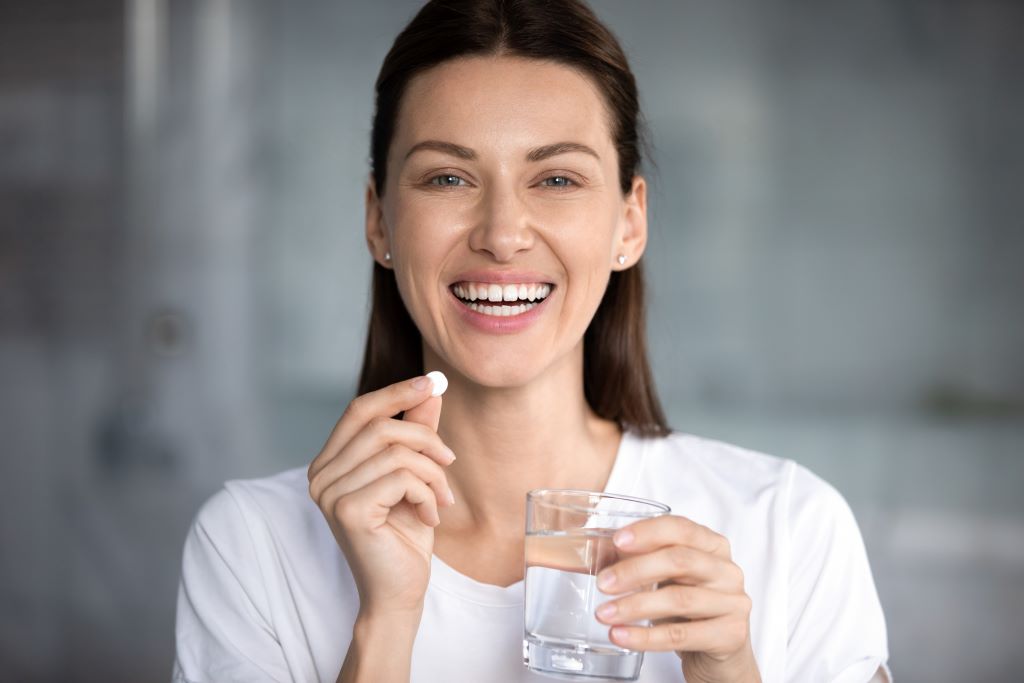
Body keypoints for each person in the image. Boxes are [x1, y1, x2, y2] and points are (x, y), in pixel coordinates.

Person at [172, 1, 890, 681]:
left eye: (556, 178)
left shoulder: (788, 525)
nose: (502, 233)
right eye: (449, 177)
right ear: (380, 222)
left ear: (629, 223)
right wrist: (384, 623)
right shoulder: (251, 545)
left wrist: (729, 671)